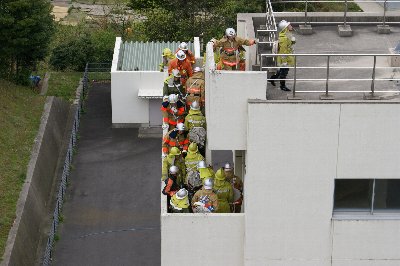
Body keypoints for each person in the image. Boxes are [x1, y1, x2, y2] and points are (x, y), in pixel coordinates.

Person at [269, 20, 295, 92]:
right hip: (284, 57)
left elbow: (291, 44)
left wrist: (292, 39)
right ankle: (282, 86)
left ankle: (272, 79)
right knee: (284, 71)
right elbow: (283, 51)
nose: (291, 26)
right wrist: (284, 62)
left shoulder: (287, 34)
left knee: (282, 71)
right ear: (285, 28)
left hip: (287, 56)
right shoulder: (284, 38)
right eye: (289, 25)